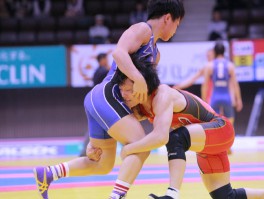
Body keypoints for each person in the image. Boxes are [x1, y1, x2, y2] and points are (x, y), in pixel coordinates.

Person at [33, 1, 185, 199]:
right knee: (142, 143)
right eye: (177, 24)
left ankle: (50, 173)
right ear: (167, 18)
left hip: (106, 104)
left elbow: (140, 96)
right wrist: (138, 78)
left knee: (101, 163)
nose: (175, 30)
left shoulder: (156, 54)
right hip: (106, 95)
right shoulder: (142, 30)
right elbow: (118, 53)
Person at [114, 56, 264, 199]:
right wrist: (98, 146)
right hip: (206, 145)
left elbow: (161, 137)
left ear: (142, 84)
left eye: (129, 90)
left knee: (176, 138)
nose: (125, 95)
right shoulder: (140, 107)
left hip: (220, 129)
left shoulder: (162, 95)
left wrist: (129, 148)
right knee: (225, 196)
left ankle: (171, 194)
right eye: (122, 90)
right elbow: (116, 123)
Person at [202, 41, 243, 125]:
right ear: (225, 51)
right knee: (230, 123)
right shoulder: (230, 65)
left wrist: (203, 102)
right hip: (226, 97)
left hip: (215, 97)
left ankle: (217, 137)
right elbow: (235, 85)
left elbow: (204, 86)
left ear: (214, 52)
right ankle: (229, 136)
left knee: (214, 122)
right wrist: (239, 99)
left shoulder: (210, 65)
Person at [79, 52, 111, 157]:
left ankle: (84, 151)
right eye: (106, 59)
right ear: (102, 60)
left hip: (96, 102)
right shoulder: (103, 71)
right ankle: (84, 152)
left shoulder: (98, 71)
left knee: (94, 128)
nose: (107, 61)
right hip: (100, 103)